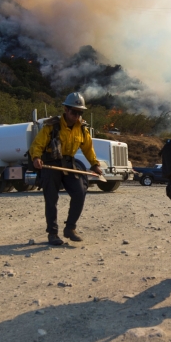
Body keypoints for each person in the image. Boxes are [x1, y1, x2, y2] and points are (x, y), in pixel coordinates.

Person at [30, 92, 103, 246]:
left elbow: (88, 148)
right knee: (51, 199)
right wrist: (36, 157)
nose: (76, 115)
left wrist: (95, 164)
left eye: (80, 112)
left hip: (69, 164)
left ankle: (70, 228)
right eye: (73, 111)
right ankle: (53, 233)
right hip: (51, 164)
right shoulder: (52, 126)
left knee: (79, 192)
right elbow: (37, 144)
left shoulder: (82, 129)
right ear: (65, 109)